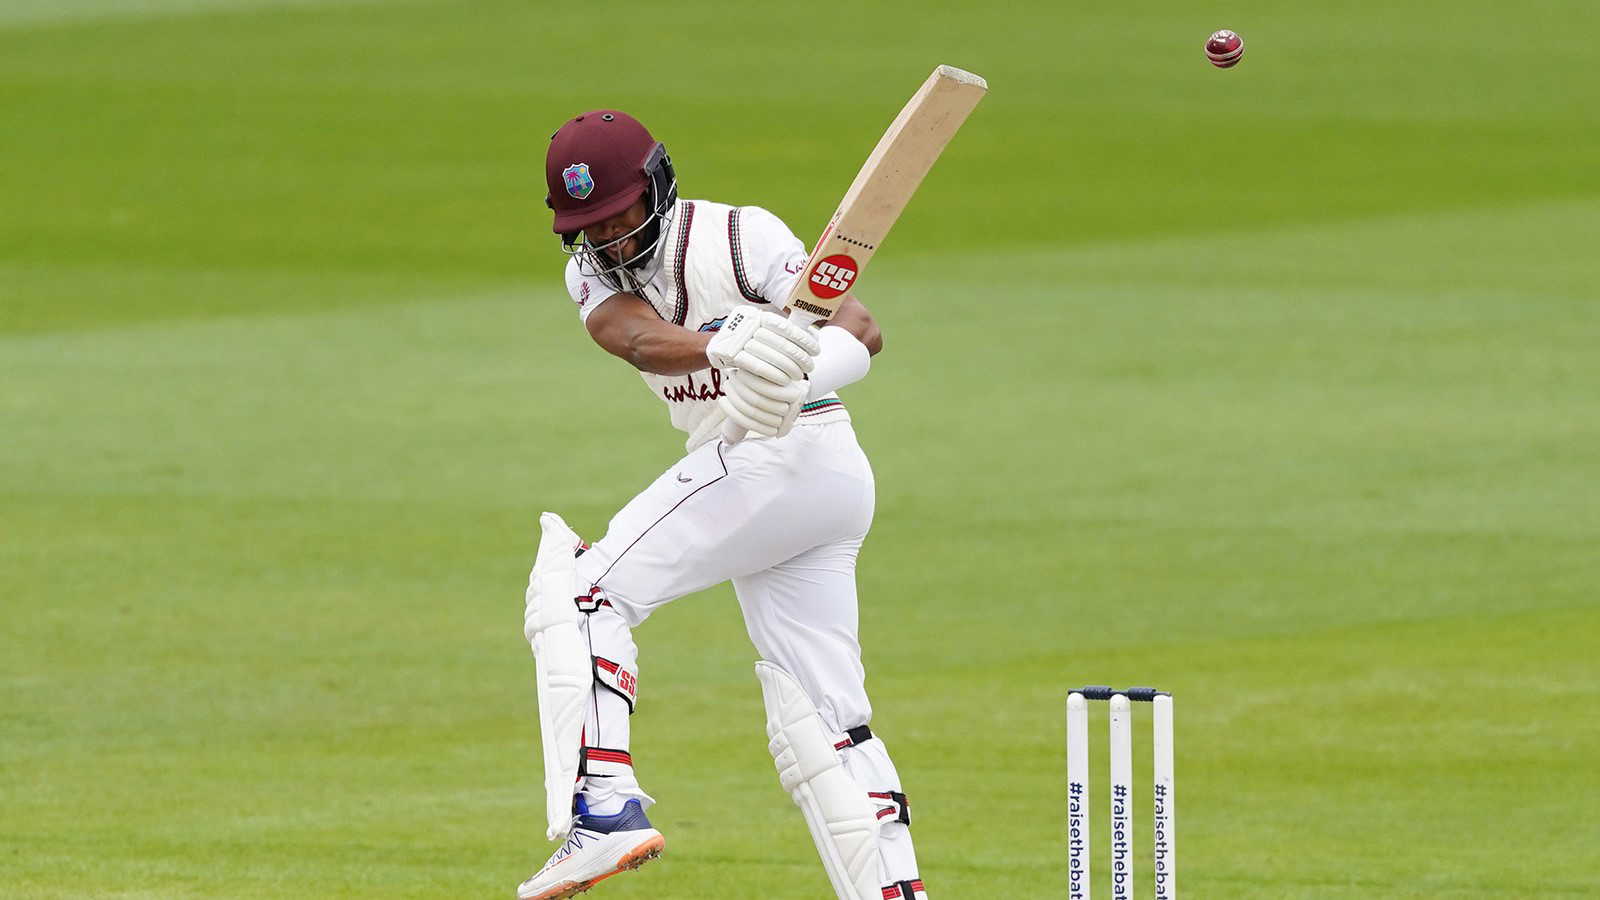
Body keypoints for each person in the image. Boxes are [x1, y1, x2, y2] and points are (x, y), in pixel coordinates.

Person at [517, 110, 926, 900]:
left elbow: (861, 329)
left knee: (579, 594)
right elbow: (634, 337)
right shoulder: (592, 275)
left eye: (623, 217)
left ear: (658, 187)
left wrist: (796, 375)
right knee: (823, 721)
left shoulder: (741, 236)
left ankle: (602, 812)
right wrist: (725, 346)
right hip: (775, 484)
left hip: (793, 453)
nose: (610, 241)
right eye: (590, 229)